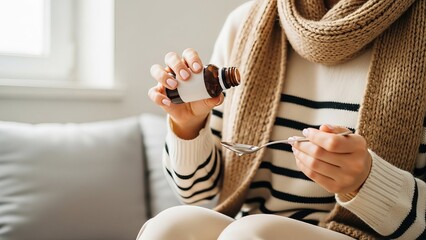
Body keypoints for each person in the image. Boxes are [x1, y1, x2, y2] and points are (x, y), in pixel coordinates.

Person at [140, 0, 425, 239]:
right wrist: (188, 126)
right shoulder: (244, 24)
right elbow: (196, 193)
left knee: (251, 233)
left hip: (359, 234)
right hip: (241, 230)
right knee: (169, 226)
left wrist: (368, 181)